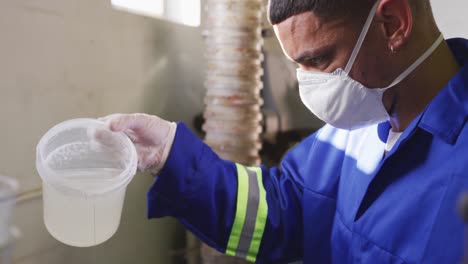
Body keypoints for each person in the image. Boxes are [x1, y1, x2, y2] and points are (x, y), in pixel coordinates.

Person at [100, 0, 468, 262]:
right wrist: (170, 153)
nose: (309, 84)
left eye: (319, 60)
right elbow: (279, 208)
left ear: (393, 23)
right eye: (298, 65)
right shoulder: (352, 130)